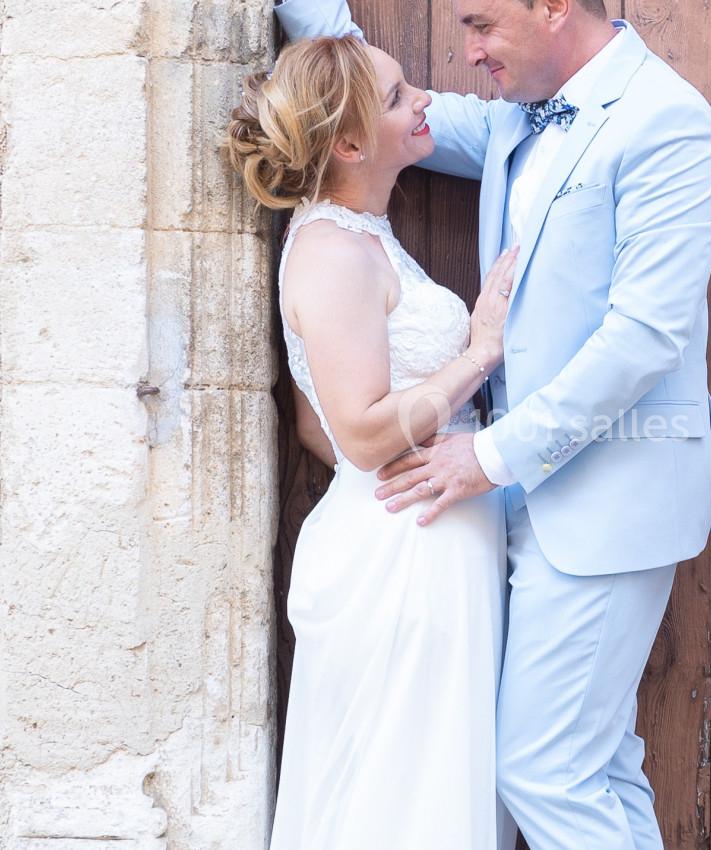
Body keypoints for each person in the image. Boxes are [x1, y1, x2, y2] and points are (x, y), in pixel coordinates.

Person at [274, 1, 711, 848]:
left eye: (482, 24)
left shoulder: (666, 123)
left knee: (544, 767)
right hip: (485, 511)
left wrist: (489, 455)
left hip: (602, 496)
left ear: (553, 6)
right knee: (593, 763)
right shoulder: (514, 124)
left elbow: (640, 340)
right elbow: (351, 105)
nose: (467, 51)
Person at [224, 33, 521, 849]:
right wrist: (480, 354)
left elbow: (316, 426)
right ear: (350, 142)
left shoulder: (365, 236)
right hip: (401, 562)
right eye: (396, 96)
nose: (423, 98)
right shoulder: (329, 252)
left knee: (430, 791)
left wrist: (407, 456)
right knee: (400, 803)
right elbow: (353, 432)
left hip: (420, 541)